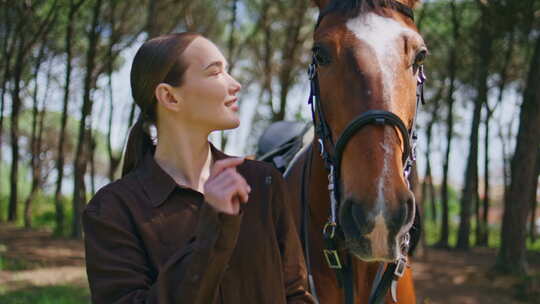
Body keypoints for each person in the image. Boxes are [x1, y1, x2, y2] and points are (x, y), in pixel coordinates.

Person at [82, 32, 315, 304]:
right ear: (169, 97)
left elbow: (295, 294)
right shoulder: (111, 209)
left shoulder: (263, 182)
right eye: (215, 72)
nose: (235, 84)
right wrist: (214, 227)